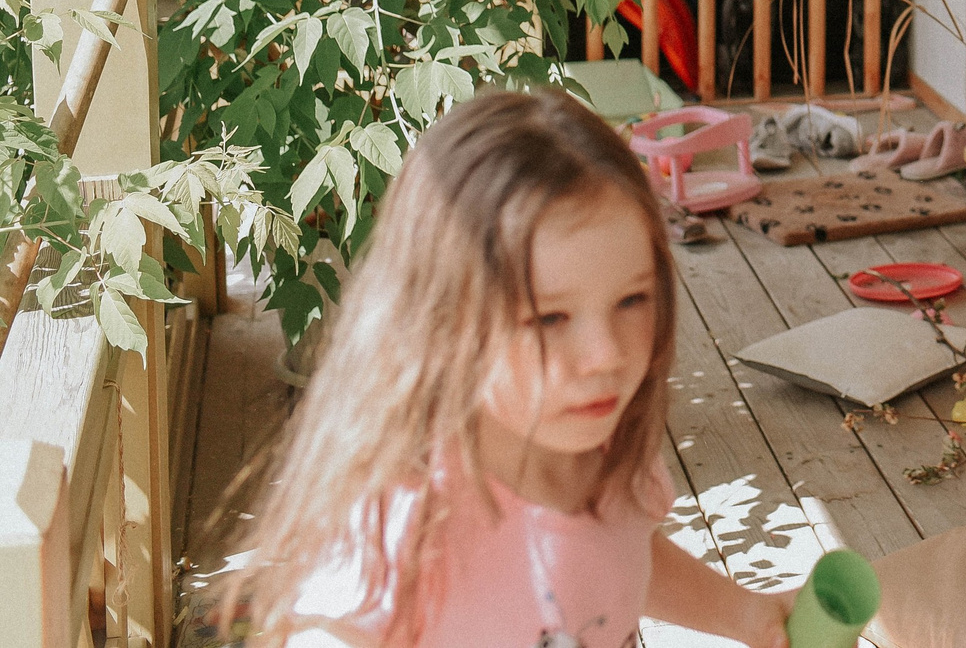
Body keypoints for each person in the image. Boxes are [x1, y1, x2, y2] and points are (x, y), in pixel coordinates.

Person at [230, 88, 792, 648]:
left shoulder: (610, 450)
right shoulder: (403, 521)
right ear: (443, 322)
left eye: (632, 301)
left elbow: (621, 546)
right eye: (549, 318)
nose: (607, 355)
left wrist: (744, 614)